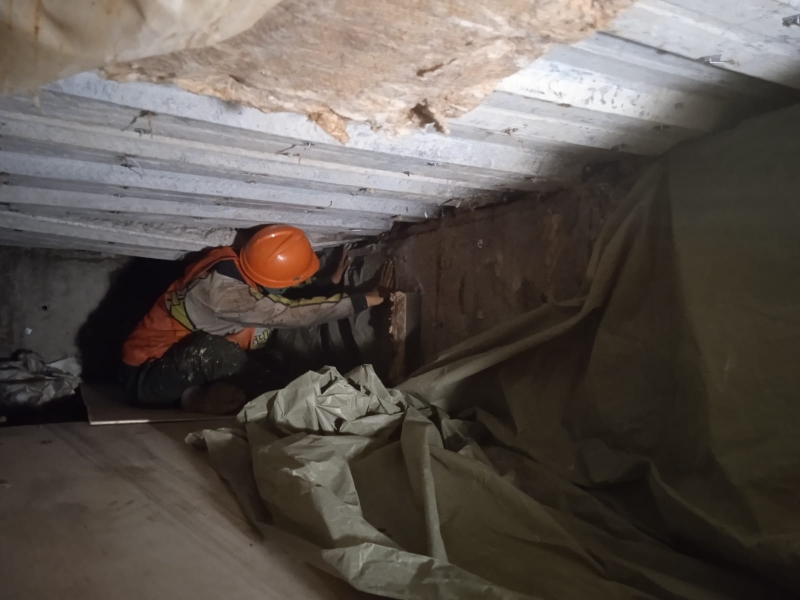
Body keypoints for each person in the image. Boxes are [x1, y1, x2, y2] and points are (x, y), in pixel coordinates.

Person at [121, 224, 392, 414]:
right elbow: (288, 313)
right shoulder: (222, 296)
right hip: (145, 378)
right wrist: (365, 300)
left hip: (184, 363)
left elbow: (277, 289)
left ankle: (203, 397)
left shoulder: (239, 259)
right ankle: (295, 404)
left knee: (270, 356)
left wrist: (326, 283)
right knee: (219, 354)